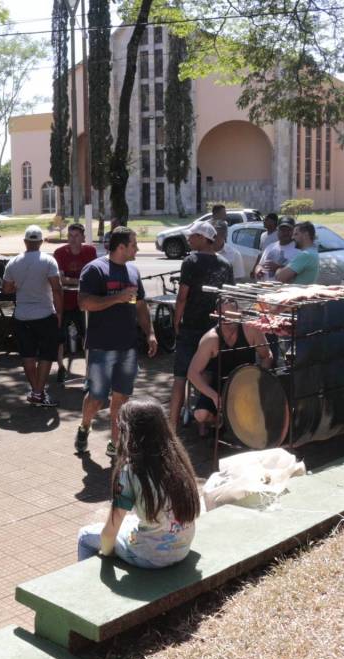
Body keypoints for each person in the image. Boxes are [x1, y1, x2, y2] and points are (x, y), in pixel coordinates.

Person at [76, 398, 200, 568]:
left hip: (149, 556)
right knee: (132, 521)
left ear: (127, 432)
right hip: (182, 549)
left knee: (84, 535)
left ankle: (87, 581)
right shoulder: (178, 461)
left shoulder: (131, 471)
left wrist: (109, 553)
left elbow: (108, 534)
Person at [75, 226, 158, 458]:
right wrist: (117, 298)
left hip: (128, 346)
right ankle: (84, 426)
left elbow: (140, 305)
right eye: (134, 244)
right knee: (97, 398)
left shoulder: (133, 271)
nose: (137, 249)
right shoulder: (95, 269)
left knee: (121, 397)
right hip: (101, 346)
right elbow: (84, 303)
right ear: (121, 247)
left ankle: (115, 442)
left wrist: (150, 333)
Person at [171, 221, 234, 427]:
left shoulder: (191, 261)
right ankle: (203, 425)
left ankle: (172, 426)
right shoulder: (225, 264)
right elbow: (228, 298)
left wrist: (176, 321)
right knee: (205, 374)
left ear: (202, 238)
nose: (188, 239)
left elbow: (182, 296)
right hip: (214, 329)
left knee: (180, 376)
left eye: (192, 236)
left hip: (191, 326)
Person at [187, 298, 273, 432]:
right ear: (216, 314)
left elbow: (267, 356)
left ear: (239, 312)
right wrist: (213, 396)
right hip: (219, 383)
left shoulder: (251, 330)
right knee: (201, 415)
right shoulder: (210, 339)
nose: (227, 318)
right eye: (223, 314)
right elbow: (192, 373)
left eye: (231, 314)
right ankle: (220, 421)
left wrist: (258, 380)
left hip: (246, 381)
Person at [2, 226, 64, 407]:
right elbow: (57, 289)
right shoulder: (48, 261)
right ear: (41, 242)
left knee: (27, 355)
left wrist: (18, 287)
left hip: (22, 316)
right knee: (46, 355)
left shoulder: (13, 262)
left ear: (25, 242)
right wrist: (60, 313)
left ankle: (37, 392)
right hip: (45, 314)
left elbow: (6, 289)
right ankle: (38, 392)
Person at [53, 222, 98, 383]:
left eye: (76, 236)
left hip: (84, 302)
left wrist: (72, 281)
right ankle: (60, 367)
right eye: (70, 236)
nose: (72, 239)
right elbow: (60, 279)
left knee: (88, 336)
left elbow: (94, 277)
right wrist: (80, 281)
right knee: (59, 337)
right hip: (64, 302)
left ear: (83, 237)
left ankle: (90, 370)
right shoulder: (59, 253)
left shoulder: (90, 251)